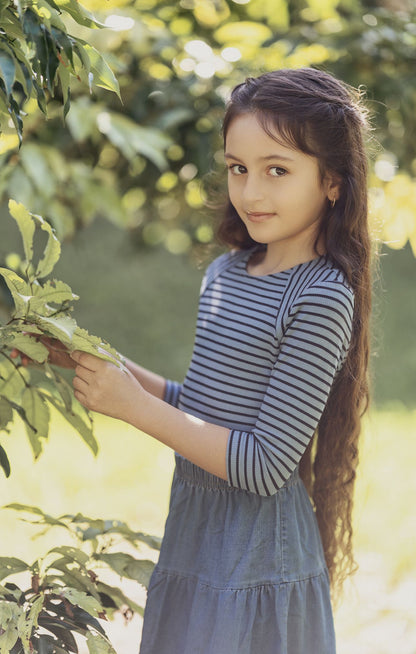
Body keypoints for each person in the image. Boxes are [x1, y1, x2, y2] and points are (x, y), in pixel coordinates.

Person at [14, 67, 373, 654]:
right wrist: (82, 356)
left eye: (276, 170)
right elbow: (205, 410)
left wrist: (131, 408)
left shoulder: (321, 294)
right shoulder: (226, 273)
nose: (251, 192)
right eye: (238, 168)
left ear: (333, 181)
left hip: (257, 559)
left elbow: (263, 465)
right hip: (196, 537)